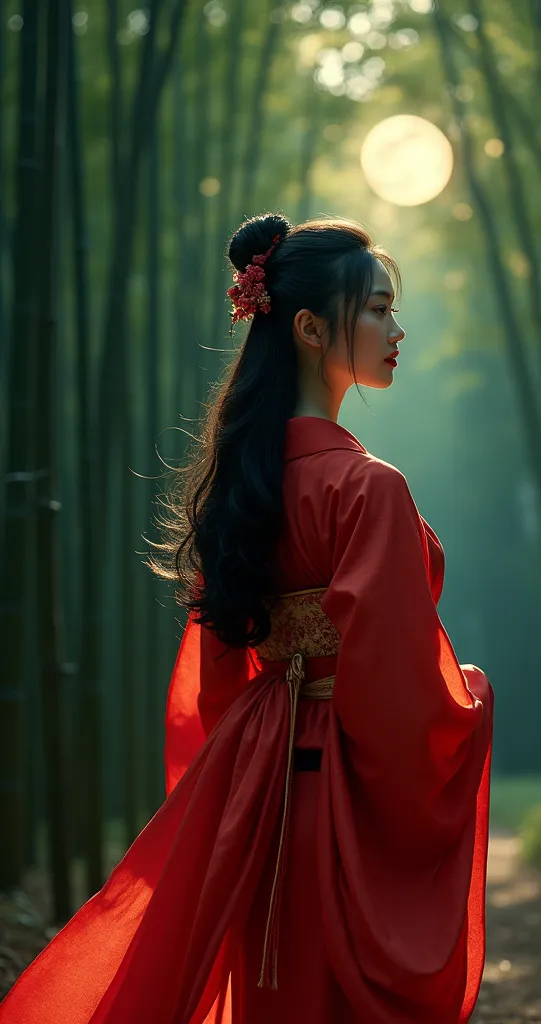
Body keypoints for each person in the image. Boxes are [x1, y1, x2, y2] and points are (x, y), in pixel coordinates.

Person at [0, 213, 493, 1023]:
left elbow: (219, 676)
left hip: (255, 795)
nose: (395, 327)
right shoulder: (369, 490)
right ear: (308, 325)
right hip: (345, 797)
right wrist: (468, 703)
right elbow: (394, 690)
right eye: (375, 308)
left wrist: (245, 775)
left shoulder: (243, 484)